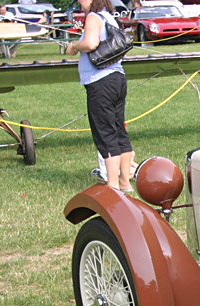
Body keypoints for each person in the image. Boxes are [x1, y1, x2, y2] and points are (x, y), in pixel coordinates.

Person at [65, 0, 136, 191]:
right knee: (118, 128)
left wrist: (74, 47)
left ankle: (112, 184)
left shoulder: (93, 17)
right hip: (117, 79)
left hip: (101, 82)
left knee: (105, 132)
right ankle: (125, 182)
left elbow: (90, 43)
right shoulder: (108, 17)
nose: (79, 1)